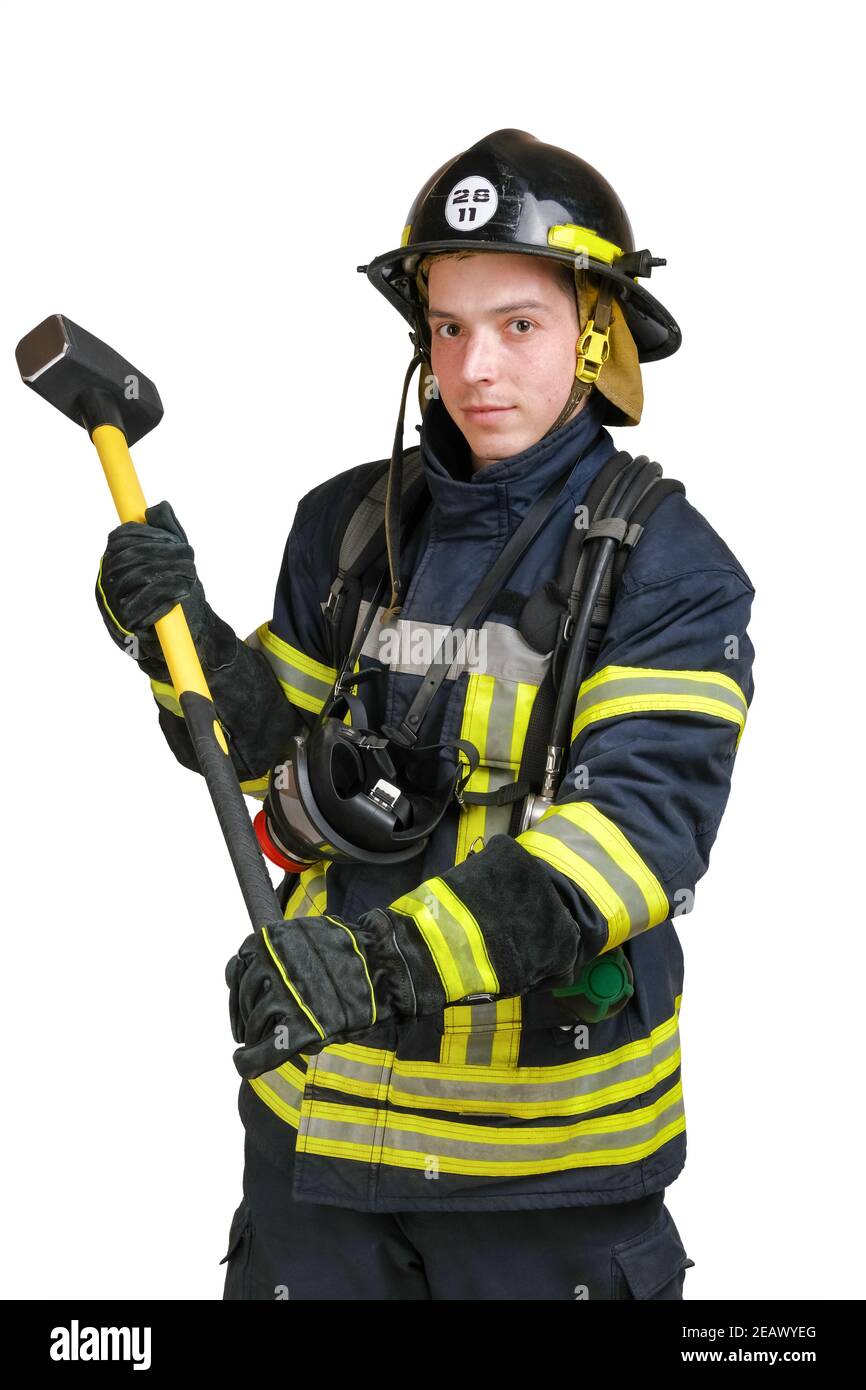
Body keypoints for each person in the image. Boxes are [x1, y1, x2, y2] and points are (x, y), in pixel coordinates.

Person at [95, 129, 755, 1301]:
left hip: (538, 1176)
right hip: (319, 1141)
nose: (474, 367)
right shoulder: (350, 523)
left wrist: (375, 960)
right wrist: (172, 630)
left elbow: (629, 841)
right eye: (447, 327)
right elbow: (256, 745)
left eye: (516, 324)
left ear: (595, 333)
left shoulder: (669, 567)